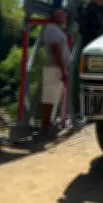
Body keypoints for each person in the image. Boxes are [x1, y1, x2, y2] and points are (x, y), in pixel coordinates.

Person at [40, 8, 71, 137]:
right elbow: (55, 49)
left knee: (53, 97)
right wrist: (62, 70)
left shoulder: (57, 30)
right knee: (49, 98)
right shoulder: (52, 29)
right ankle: (45, 125)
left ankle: (49, 124)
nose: (65, 18)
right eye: (63, 15)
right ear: (56, 16)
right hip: (54, 68)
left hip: (56, 68)